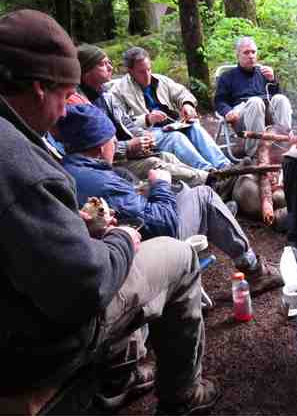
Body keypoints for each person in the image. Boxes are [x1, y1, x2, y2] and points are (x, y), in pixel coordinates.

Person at [0, 9, 217, 416]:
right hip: (35, 345)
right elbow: (87, 285)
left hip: (19, 314)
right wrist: (122, 238)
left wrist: (70, 226)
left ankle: (123, 373)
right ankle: (182, 396)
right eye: (65, 98)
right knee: (179, 255)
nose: (65, 114)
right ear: (38, 89)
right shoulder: (17, 162)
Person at [58, 103, 281, 288]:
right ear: (99, 146)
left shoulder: (71, 169)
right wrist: (160, 185)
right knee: (204, 195)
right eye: (112, 141)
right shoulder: (99, 181)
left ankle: (218, 208)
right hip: (141, 249)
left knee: (184, 189)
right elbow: (162, 224)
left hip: (117, 245)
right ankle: (255, 271)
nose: (115, 145)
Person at [68, 44, 212, 186]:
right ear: (86, 71)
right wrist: (131, 142)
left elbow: (126, 123)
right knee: (158, 158)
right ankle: (212, 179)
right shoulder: (79, 103)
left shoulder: (106, 95)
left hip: (141, 144)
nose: (110, 68)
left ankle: (216, 171)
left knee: (169, 154)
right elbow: (92, 149)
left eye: (149, 69)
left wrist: (144, 136)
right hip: (111, 162)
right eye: (102, 64)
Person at [108, 46, 231, 171]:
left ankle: (225, 166)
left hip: (172, 124)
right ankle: (208, 172)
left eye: (149, 69)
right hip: (146, 134)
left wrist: (187, 104)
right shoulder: (118, 92)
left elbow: (181, 93)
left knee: (194, 127)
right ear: (130, 71)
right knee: (175, 137)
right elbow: (121, 124)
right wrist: (147, 119)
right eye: (141, 72)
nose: (147, 75)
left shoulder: (161, 80)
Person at [214, 36, 293, 158]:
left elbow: (276, 95)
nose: (251, 56)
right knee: (256, 102)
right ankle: (255, 151)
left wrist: (273, 80)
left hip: (265, 113)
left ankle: (283, 145)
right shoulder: (227, 76)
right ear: (238, 55)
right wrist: (227, 112)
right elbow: (220, 101)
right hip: (242, 116)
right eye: (246, 52)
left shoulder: (263, 73)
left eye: (253, 52)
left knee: (281, 99)